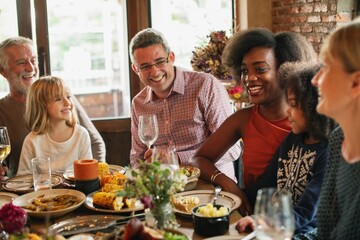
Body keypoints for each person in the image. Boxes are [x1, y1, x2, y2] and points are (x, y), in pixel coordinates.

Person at [190, 28, 317, 214]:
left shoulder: (308, 123)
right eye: (244, 71)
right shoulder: (244, 119)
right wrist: (229, 185)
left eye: (260, 69)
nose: (248, 78)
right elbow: (198, 159)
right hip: (253, 217)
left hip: (297, 223)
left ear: (286, 70)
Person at [235, 62, 336, 235]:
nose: (288, 111)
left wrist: (263, 222)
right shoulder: (292, 139)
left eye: (293, 105)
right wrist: (235, 200)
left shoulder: (327, 153)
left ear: (314, 108)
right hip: (274, 225)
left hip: (300, 232)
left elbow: (305, 212)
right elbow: (267, 181)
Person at [129, 28, 241, 182]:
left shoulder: (205, 86)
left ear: (172, 57)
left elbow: (233, 149)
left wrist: (175, 159)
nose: (154, 72)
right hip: (166, 192)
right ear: (136, 69)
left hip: (212, 187)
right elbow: (137, 158)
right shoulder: (138, 103)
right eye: (145, 66)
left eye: (160, 61)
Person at [0, 36, 106, 177]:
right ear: (3, 70)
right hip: (29, 190)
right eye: (21, 62)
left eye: (33, 60)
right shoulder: (3, 110)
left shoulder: (64, 100)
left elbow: (95, 142)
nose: (31, 67)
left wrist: (94, 179)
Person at [310, 17, 360, 239]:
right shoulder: (339, 139)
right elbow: (325, 232)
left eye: (327, 67)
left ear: (356, 83)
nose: (315, 80)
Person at [17, 76, 92, 175]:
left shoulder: (81, 135)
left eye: (68, 97)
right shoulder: (31, 141)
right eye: (58, 99)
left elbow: (88, 174)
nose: (67, 102)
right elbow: (23, 179)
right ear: (41, 105)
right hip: (44, 191)